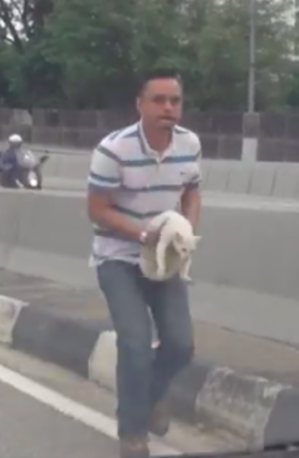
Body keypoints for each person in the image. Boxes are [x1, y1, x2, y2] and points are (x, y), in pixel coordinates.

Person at [86, 70, 201, 458]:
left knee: (181, 346)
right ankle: (132, 433)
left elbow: (192, 192)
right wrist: (141, 235)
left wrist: (185, 230)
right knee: (135, 343)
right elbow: (97, 210)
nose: (169, 108)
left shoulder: (190, 145)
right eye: (159, 100)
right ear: (140, 104)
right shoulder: (112, 150)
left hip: (165, 259)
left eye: (175, 100)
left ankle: (148, 397)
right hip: (117, 257)